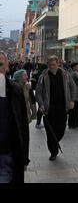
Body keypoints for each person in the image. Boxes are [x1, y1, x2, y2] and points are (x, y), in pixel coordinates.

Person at [36, 55, 76, 161]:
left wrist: (72, 100)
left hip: (62, 108)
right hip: (49, 109)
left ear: (58, 64)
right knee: (50, 132)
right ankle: (53, 152)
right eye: (49, 65)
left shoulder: (65, 74)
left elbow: (73, 87)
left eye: (53, 65)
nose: (51, 67)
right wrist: (41, 103)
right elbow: (38, 92)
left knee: (61, 130)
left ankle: (55, 141)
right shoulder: (43, 76)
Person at [0, 51, 30, 183]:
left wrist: (24, 157)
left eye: (0, 64)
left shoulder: (15, 90)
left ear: (7, 66)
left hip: (7, 154)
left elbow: (23, 125)